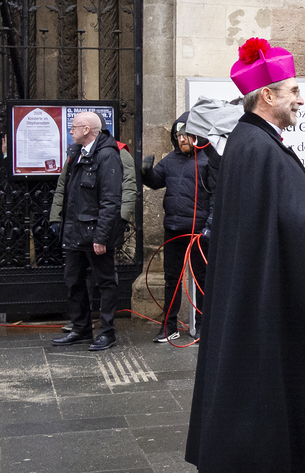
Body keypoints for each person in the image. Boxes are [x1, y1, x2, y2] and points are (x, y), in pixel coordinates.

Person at [185, 38, 305, 473]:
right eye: (294, 90)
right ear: (268, 95)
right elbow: (300, 221)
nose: (301, 98)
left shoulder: (253, 142)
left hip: (262, 299)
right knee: (264, 409)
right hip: (264, 307)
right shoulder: (257, 147)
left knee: (271, 406)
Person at [50, 122, 137, 335]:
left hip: (99, 226)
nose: (70, 131)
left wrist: (120, 220)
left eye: (74, 127)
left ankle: (106, 330)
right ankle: (81, 326)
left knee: (104, 279)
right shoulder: (76, 152)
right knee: (74, 277)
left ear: (90, 129)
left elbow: (126, 188)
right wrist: (56, 217)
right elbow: (63, 187)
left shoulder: (115, 153)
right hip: (76, 227)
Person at [140, 112, 211, 343]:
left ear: (197, 135)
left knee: (201, 280)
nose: (181, 139)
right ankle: (169, 327)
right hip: (173, 228)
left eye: (185, 135)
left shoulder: (209, 160)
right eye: (178, 135)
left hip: (198, 231)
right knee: (172, 279)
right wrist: (146, 173)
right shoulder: (170, 159)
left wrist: (210, 225)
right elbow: (156, 181)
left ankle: (202, 327)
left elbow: (216, 195)